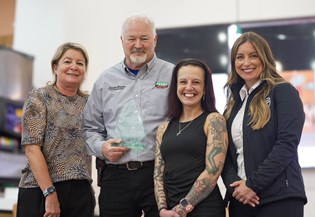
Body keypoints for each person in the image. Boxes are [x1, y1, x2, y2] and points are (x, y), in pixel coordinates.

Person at [83, 14, 174, 217]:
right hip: (116, 179)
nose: (138, 45)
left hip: (159, 175)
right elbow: (90, 129)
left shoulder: (173, 75)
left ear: (155, 40)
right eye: (131, 39)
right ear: (122, 41)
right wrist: (102, 148)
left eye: (144, 38)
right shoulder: (105, 80)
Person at [221, 31, 307, 217]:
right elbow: (225, 154)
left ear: (265, 58)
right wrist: (236, 186)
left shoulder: (283, 92)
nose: (246, 63)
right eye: (240, 57)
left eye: (253, 55)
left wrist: (253, 184)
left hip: (279, 199)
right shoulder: (234, 104)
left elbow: (286, 145)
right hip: (241, 199)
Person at [16, 42, 95, 217]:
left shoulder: (90, 103)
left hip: (80, 192)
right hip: (40, 190)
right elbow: (31, 148)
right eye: (67, 61)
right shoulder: (39, 97)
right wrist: (49, 193)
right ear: (55, 67)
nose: (74, 67)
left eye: (80, 63)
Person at [154, 59, 228, 217]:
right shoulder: (164, 128)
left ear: (205, 88)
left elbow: (212, 172)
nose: (189, 87)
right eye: (183, 82)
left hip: (205, 209)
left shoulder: (214, 120)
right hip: (170, 211)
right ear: (175, 87)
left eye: (196, 82)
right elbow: (158, 174)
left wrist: (183, 207)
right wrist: (162, 209)